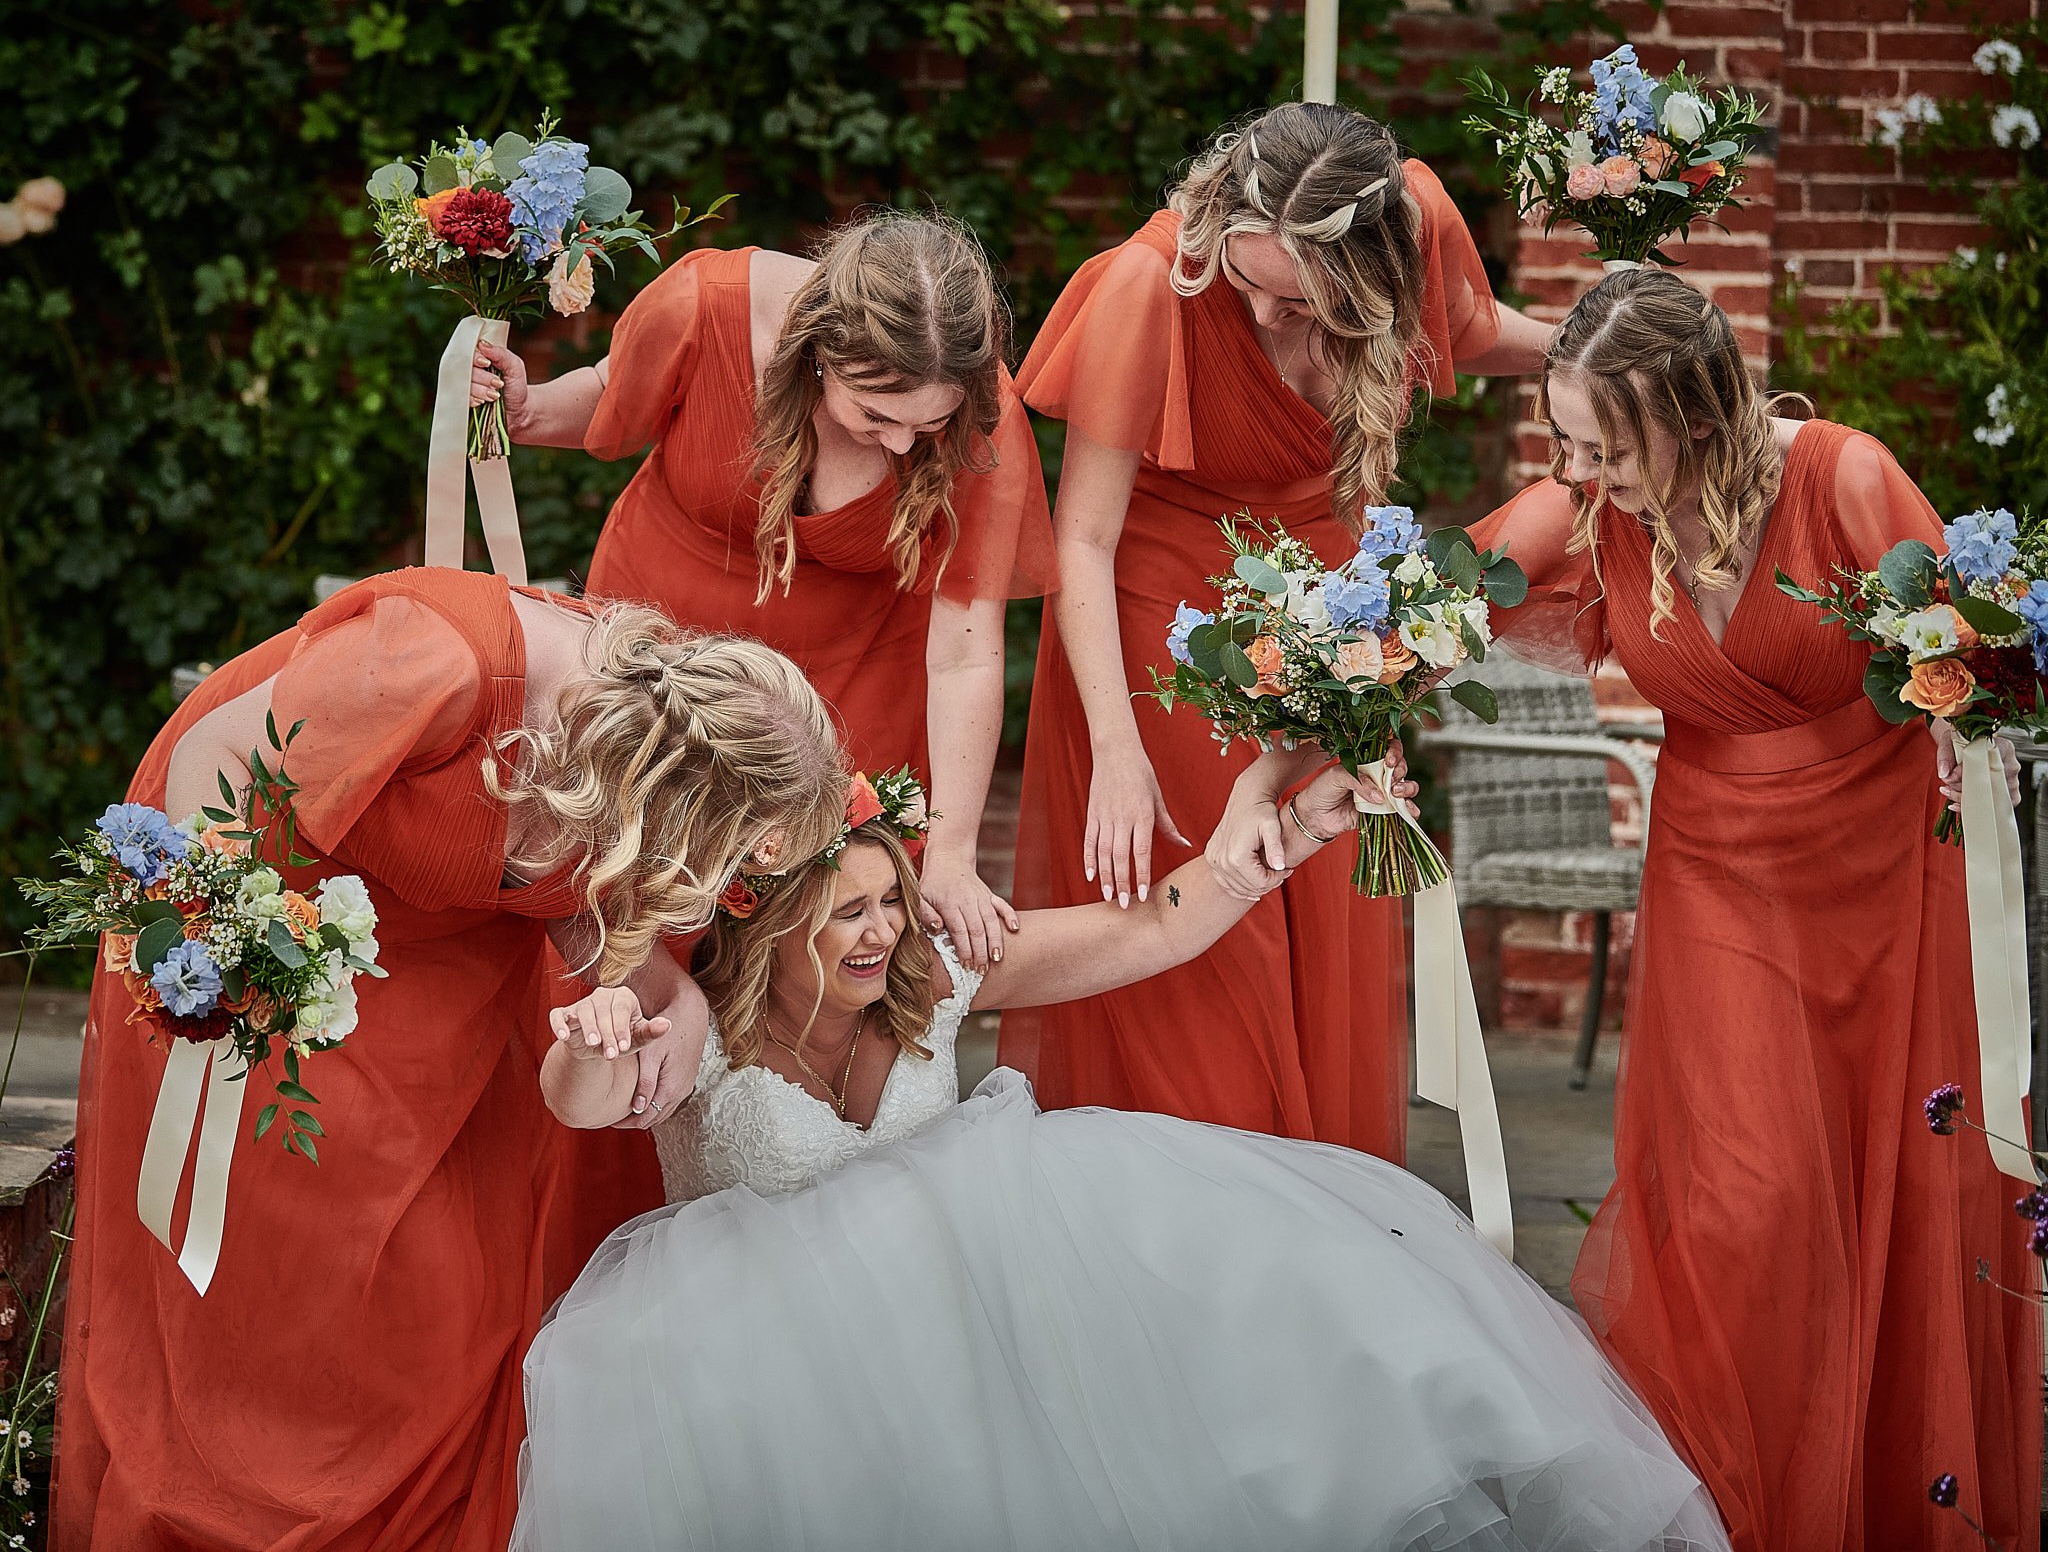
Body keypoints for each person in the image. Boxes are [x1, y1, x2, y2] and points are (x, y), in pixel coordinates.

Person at [515, 762, 1731, 1552]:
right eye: (850, 911)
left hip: (976, 1324)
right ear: (770, 915)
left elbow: (1151, 926)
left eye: (890, 898)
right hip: (773, 1364)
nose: (884, 929)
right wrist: (591, 1031)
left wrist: (1279, 835)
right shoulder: (694, 1029)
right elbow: (583, 1102)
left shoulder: (932, 976)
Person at [1415, 268, 2036, 1551]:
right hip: (1711, 873)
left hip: (1877, 877)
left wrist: (1963, 711)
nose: (1581, 474)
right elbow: (1423, 613)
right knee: (1736, 1202)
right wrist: (1349, 706)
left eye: (1605, 447)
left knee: (1881, 1185)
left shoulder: (1841, 477)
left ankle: (1868, 1494)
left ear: (1691, 416)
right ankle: (1733, 1505)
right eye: (1565, 443)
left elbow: (1976, 651)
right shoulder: (1587, 508)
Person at [54, 568, 847, 1552]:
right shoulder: (435, 666)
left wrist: (672, 999)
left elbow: (572, 895)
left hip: (441, 970)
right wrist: (232, 951)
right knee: (289, 1276)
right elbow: (213, 756)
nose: (719, 884)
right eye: (728, 856)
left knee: (448, 1290)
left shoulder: (623, 754)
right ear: (672, 794)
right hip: (262, 897)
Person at [1003, 101, 1552, 1154]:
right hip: (1167, 641)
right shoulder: (1150, 283)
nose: (1259, 313)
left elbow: (1469, 331)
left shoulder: (1415, 216)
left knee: (1322, 898)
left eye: (1296, 300)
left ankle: (1313, 1206)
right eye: (1244, 279)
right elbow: (1082, 540)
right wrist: (1114, 748)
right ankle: (1203, 1209)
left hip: (1329, 624)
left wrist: (1602, 346)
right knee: (1216, 943)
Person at [473, 210, 1053, 967]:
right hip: (665, 655)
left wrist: (954, 853)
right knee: (633, 903)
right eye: (876, 414)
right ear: (818, 352)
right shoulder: (706, 305)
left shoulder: (980, 410)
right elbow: (613, 390)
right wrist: (528, 410)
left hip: (852, 679)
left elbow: (966, 653)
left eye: (928, 424)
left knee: (815, 934)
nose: (902, 443)